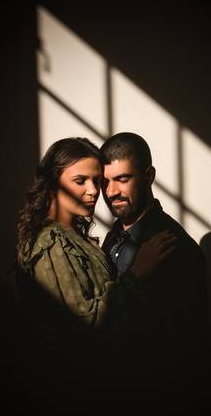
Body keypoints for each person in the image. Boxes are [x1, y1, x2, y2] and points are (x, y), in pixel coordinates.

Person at [14, 137, 177, 368]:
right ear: (52, 182)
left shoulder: (79, 236)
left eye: (96, 181)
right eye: (80, 181)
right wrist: (138, 272)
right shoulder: (50, 242)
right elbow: (85, 324)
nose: (94, 191)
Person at [99, 132, 208, 376]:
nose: (111, 192)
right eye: (104, 182)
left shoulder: (174, 246)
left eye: (122, 179)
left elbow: (182, 345)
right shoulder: (113, 236)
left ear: (149, 176)